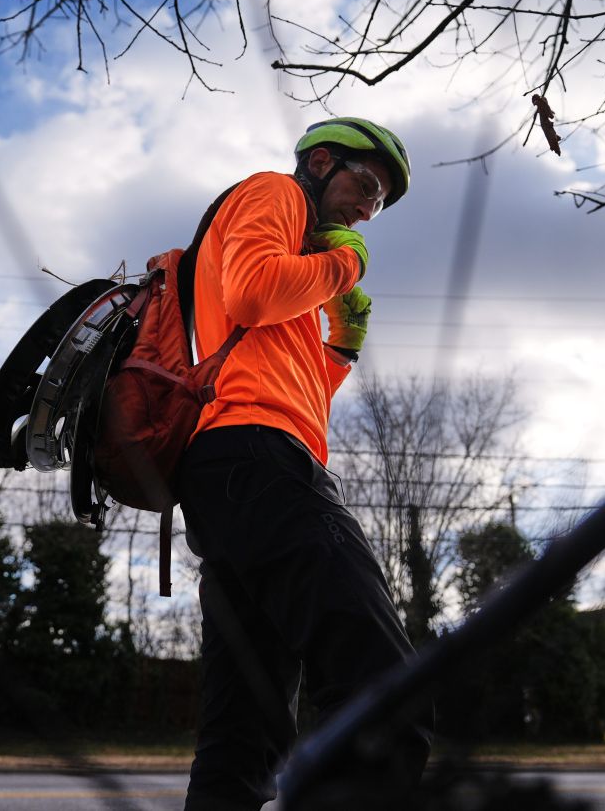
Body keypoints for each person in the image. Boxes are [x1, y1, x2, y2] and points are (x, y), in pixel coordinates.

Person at [175, 117, 432, 810]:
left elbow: (293, 387)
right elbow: (256, 291)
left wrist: (341, 346)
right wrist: (346, 264)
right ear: (321, 162)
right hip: (257, 460)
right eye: (367, 185)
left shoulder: (300, 260)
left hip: (240, 468)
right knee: (380, 682)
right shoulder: (275, 194)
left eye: (377, 206)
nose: (366, 211)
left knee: (246, 730)